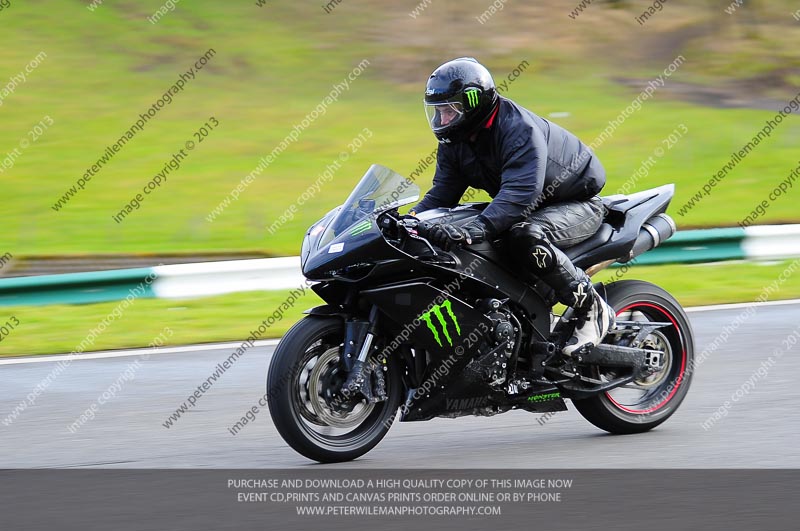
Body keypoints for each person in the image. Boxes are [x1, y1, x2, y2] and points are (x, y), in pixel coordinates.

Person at [413, 57, 614, 356]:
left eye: (449, 110)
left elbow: (520, 194)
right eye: (438, 112)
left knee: (523, 235)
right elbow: (443, 193)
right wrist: (410, 221)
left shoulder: (517, 129)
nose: (442, 120)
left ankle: (591, 306)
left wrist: (474, 229)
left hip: (576, 203)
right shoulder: (455, 141)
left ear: (472, 104)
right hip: (532, 205)